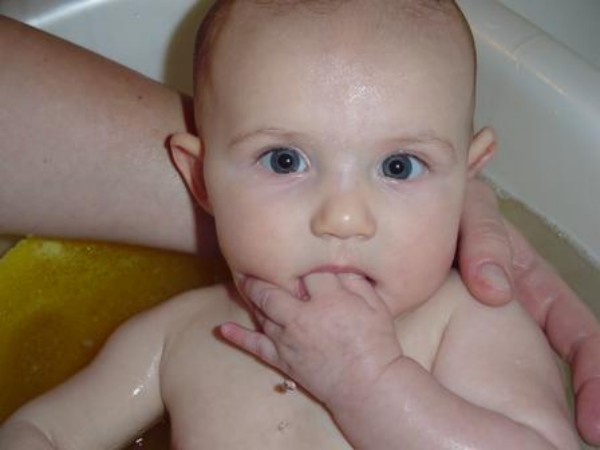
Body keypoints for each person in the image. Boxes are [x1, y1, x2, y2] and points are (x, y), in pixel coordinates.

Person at [0, 0, 598, 445]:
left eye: (399, 166)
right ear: (201, 178)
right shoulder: (179, 336)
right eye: (284, 160)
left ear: (468, 179)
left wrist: (371, 385)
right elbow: (43, 431)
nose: (344, 217)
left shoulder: (465, 324)